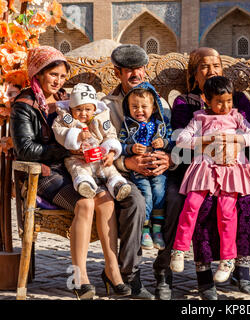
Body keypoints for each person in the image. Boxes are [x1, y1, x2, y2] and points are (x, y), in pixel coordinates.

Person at [9, 46, 132, 299]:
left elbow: (98, 125)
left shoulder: (68, 100)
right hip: (44, 173)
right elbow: (25, 150)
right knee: (86, 203)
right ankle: (79, 276)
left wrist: (102, 148)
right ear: (38, 73)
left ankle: (112, 270)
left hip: (75, 169)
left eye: (63, 76)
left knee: (106, 200)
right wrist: (67, 152)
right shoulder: (24, 104)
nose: (58, 81)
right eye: (53, 74)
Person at [162, 47, 250, 300]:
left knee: (242, 205)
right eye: (204, 67)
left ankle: (239, 268)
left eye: (216, 66)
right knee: (197, 204)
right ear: (194, 74)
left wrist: (233, 143)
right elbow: (181, 139)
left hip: (233, 171)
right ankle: (202, 274)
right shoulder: (189, 106)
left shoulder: (236, 104)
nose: (211, 71)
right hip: (198, 170)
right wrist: (207, 142)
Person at [102, 44, 171, 299]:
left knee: (174, 198)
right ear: (117, 73)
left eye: (138, 69)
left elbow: (169, 136)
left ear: (145, 69)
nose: (135, 74)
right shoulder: (106, 106)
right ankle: (131, 276)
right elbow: (103, 147)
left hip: (158, 172)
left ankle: (164, 274)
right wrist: (127, 164)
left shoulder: (159, 102)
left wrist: (168, 160)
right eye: (128, 70)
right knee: (136, 202)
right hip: (120, 174)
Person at [52, 83, 131, 201]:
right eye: (78, 109)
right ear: (70, 108)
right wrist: (76, 136)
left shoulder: (101, 119)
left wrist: (111, 153)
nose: (83, 113)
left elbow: (110, 134)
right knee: (78, 170)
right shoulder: (65, 119)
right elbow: (58, 131)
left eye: (88, 109)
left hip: (99, 157)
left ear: (94, 109)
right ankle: (85, 185)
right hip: (77, 157)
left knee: (110, 170)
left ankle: (117, 185)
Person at [118, 81, 173, 250]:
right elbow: (118, 144)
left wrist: (163, 142)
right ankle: (145, 228)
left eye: (144, 106)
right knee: (146, 195)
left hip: (158, 169)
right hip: (139, 169)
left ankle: (157, 228)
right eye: (134, 106)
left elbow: (173, 141)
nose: (139, 110)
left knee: (159, 192)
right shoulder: (127, 125)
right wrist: (130, 148)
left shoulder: (161, 125)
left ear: (154, 108)